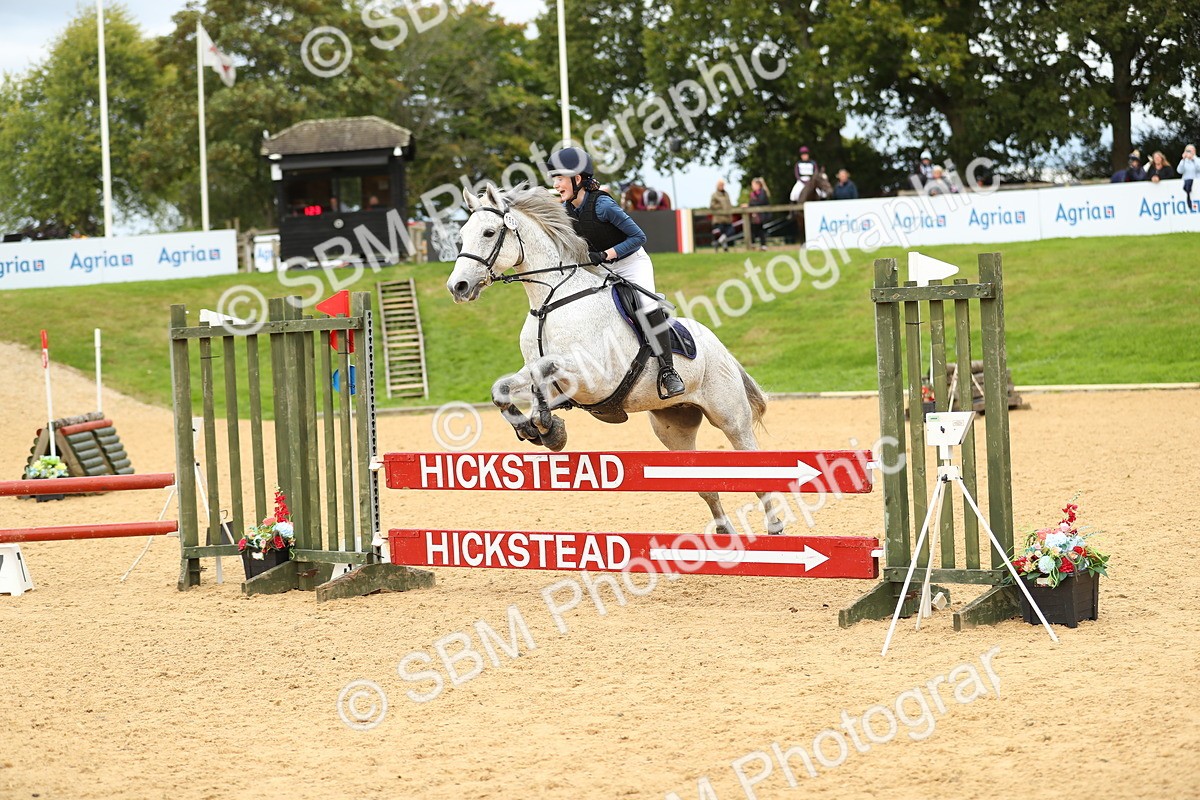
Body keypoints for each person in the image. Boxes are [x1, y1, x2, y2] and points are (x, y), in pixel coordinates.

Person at [546, 146, 685, 399]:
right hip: (602, 268)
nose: (556, 184)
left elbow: (638, 236)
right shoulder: (566, 209)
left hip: (631, 263)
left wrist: (607, 254)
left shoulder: (603, 205)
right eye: (554, 178)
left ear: (578, 179)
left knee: (646, 306)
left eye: (560, 178)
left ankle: (668, 371)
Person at [709, 179, 735, 251]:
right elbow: (712, 206)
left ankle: (718, 242)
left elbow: (729, 204)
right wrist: (721, 207)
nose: (722, 186)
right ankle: (725, 247)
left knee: (730, 231)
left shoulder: (726, 194)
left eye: (723, 185)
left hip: (727, 218)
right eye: (720, 185)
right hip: (719, 218)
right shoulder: (714, 195)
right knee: (721, 233)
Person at [746, 176, 770, 250]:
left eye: (753, 184)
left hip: (761, 215)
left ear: (758, 185)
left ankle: (762, 245)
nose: (752, 186)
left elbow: (761, 202)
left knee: (760, 230)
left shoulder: (762, 192)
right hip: (755, 215)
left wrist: (749, 205)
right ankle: (754, 244)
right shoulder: (753, 194)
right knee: (754, 229)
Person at [1179, 144, 1197, 209]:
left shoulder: (1197, 160)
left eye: (1190, 151)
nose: (1189, 152)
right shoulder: (1183, 161)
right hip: (1187, 187)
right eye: (1187, 151)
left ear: (1194, 151)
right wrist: (1183, 160)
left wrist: (1193, 158)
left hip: (1197, 185)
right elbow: (1179, 171)